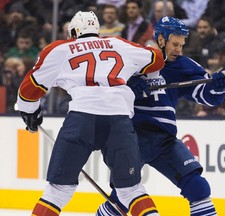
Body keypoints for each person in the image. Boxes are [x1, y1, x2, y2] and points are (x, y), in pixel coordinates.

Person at [16, 11, 165, 216]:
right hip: (119, 120)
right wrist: (137, 75)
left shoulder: (60, 49)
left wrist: (30, 113)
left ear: (75, 32)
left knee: (58, 191)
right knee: (131, 190)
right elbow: (157, 58)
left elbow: (29, 88)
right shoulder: (118, 43)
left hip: (82, 119)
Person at [96, 16, 225, 216]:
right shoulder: (132, 58)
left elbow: (206, 95)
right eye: (175, 44)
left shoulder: (183, 65)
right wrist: (127, 88)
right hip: (132, 137)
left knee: (198, 188)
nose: (179, 50)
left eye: (182, 45)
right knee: (125, 196)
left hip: (164, 139)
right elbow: (103, 91)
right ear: (161, 39)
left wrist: (219, 87)